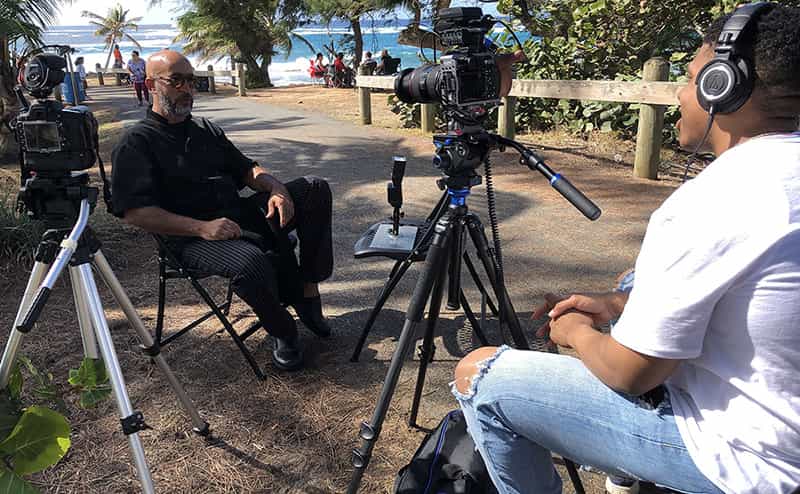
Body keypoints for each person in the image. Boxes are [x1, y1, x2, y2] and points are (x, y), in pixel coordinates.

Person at [453, 4, 800, 494]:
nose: (680, 93)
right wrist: (617, 305)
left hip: (757, 464)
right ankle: (626, 473)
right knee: (634, 282)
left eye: (690, 78)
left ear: (722, 87)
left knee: (479, 377)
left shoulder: (713, 200)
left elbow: (630, 374)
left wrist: (575, 332)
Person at [111, 50, 334, 372]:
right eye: (176, 81)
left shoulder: (205, 130)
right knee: (249, 260)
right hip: (189, 238)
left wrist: (276, 188)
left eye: (191, 81)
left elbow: (247, 170)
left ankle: (306, 290)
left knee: (314, 189)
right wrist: (201, 228)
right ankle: (283, 330)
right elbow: (134, 212)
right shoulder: (137, 142)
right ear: (150, 84)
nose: (187, 88)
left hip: (237, 216)